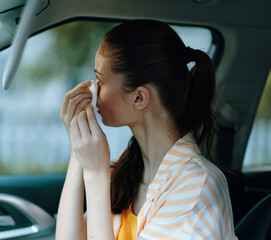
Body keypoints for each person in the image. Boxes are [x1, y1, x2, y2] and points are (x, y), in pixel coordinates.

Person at [56, 19, 237, 240]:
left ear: (139, 97)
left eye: (100, 80)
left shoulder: (198, 185)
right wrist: (79, 151)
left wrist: (95, 174)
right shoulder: (128, 169)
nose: (92, 89)